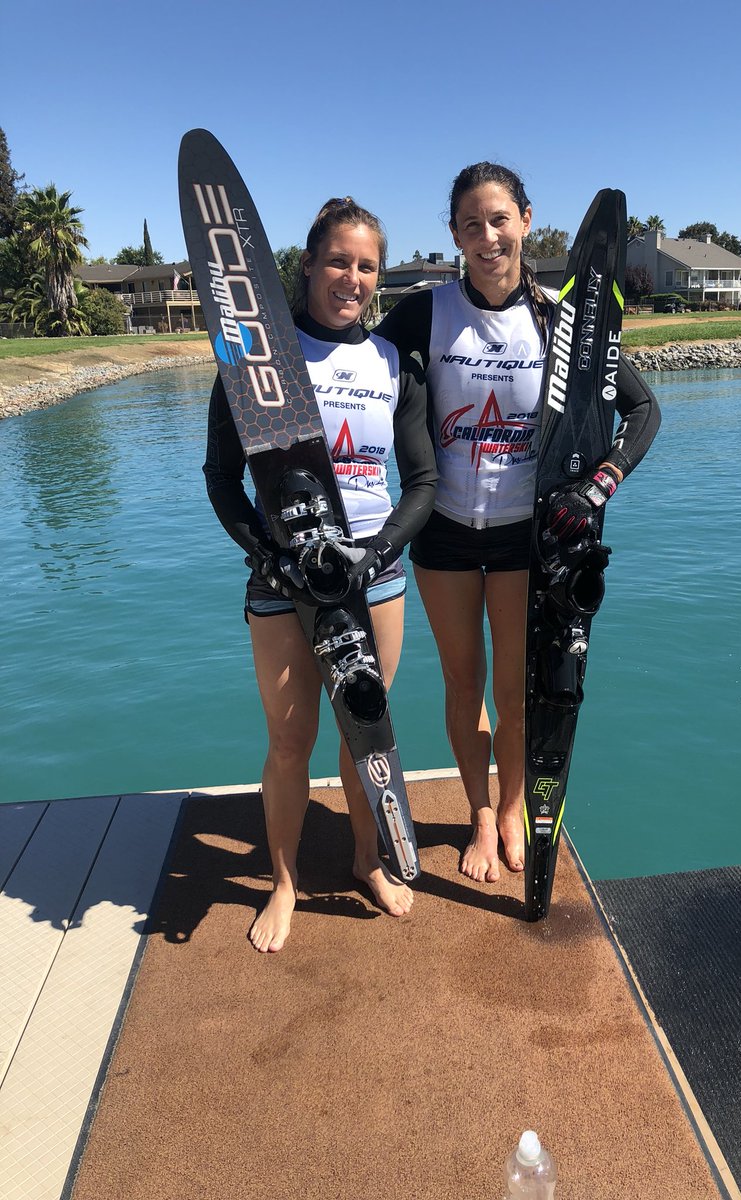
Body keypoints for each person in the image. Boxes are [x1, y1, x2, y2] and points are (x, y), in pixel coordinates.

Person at [377, 163, 660, 884]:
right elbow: (349, 358)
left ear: (526, 221)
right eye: (471, 224)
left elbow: (643, 411)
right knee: (461, 684)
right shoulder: (423, 312)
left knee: (515, 692)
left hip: (521, 537)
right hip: (442, 531)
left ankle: (510, 809)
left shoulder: (562, 323)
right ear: (454, 235)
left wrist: (598, 486)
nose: (488, 237)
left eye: (499, 219)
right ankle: (478, 812)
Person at [203, 198, 436, 951]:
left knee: (365, 733)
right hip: (282, 579)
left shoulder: (392, 363)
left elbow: (423, 481)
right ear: (306, 265)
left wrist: (376, 555)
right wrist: (270, 556)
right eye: (338, 261)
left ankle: (367, 861)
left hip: (373, 574)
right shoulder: (254, 363)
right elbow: (221, 478)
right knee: (289, 739)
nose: (352, 278)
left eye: (366, 266)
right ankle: (284, 881)